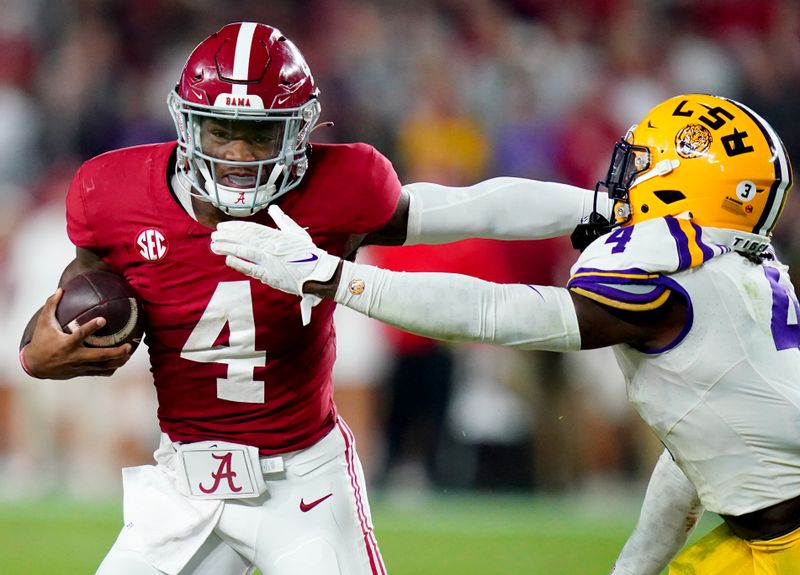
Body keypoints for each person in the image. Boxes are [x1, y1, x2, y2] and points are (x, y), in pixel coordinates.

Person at [18, 21, 605, 575]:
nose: (239, 156)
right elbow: (73, 294)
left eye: (259, 133)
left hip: (303, 482)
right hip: (185, 483)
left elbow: (474, 207)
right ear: (186, 124)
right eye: (222, 130)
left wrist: (596, 207)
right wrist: (34, 354)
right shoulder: (112, 195)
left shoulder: (340, 186)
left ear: (299, 129)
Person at [209, 93, 799, 574]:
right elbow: (692, 450)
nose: (624, 177)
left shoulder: (671, 281)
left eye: (642, 164)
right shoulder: (731, 269)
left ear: (681, 180)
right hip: (762, 534)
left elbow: (496, 313)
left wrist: (336, 279)